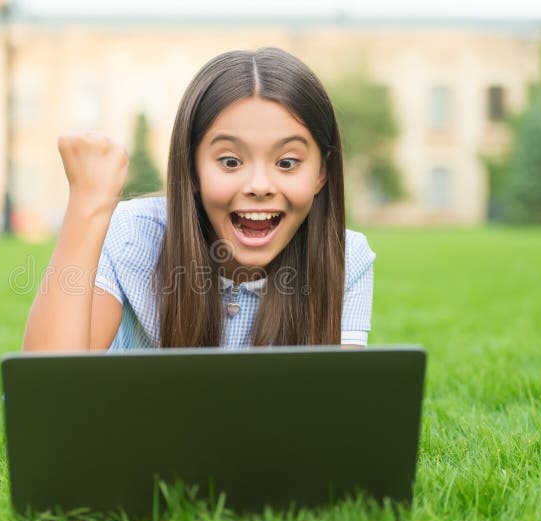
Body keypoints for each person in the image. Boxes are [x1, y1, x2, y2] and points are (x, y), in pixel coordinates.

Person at [22, 47, 375, 352]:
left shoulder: (346, 259)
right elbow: (42, 404)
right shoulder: (131, 237)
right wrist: (88, 204)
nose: (259, 185)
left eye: (286, 163)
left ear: (321, 174)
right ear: (191, 168)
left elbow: (330, 416)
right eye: (230, 162)